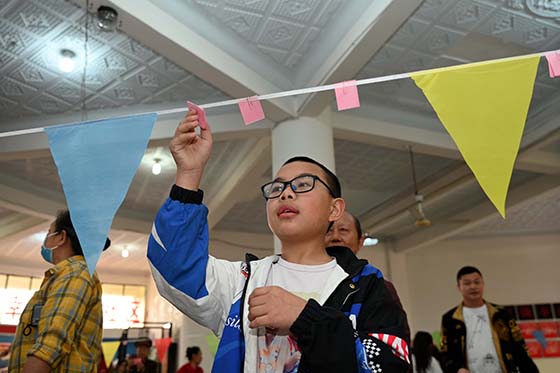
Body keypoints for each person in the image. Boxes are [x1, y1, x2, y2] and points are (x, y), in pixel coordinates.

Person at [147, 110, 410, 372]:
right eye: (277, 188)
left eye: (303, 184)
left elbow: (388, 365)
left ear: (334, 209)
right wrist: (189, 174)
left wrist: (305, 318)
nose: (285, 193)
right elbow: (173, 267)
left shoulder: (367, 287)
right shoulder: (243, 281)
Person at [8, 209, 111, 372]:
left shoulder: (75, 273)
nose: (46, 238)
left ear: (62, 237)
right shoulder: (66, 276)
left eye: (49, 232)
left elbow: (51, 343)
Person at [325, 211, 411, 340]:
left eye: (343, 230)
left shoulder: (376, 284)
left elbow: (395, 340)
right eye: (328, 231)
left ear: (360, 241)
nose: (335, 237)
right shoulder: (309, 280)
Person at [440, 266, 538, 373]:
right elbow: (446, 355)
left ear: (483, 284)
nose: (473, 286)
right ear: (459, 287)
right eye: (467, 283)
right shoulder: (450, 319)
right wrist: (457, 369)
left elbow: (520, 348)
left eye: (477, 282)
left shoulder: (501, 314)